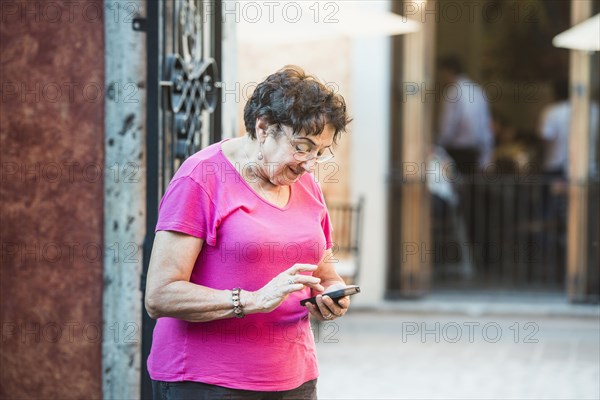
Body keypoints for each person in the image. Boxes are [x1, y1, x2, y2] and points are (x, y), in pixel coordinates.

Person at [144, 66, 353, 399]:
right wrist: (253, 300)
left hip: (295, 379)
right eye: (301, 147)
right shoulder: (201, 177)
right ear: (264, 128)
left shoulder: (307, 185)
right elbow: (160, 294)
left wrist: (331, 293)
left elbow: (325, 272)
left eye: (319, 152)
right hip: (207, 381)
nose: (309, 164)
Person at [436, 55, 494, 173]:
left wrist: (439, 145)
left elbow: (447, 124)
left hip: (457, 152)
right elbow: (486, 125)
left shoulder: (453, 92)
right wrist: (487, 156)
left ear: (448, 71)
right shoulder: (477, 90)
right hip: (476, 151)